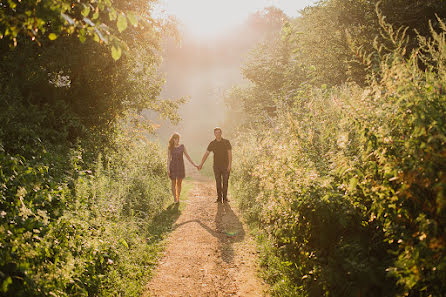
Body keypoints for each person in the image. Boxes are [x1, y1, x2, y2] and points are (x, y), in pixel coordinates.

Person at [198, 127, 232, 203]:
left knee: (225, 182)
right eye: (216, 133)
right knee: (218, 182)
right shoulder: (212, 143)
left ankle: (225, 198)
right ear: (214, 134)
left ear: (221, 133)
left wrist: (229, 165)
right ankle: (219, 198)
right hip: (216, 166)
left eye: (219, 132)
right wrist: (201, 164)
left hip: (225, 166)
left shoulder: (226, 142)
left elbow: (230, 154)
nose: (218, 134)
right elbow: (206, 154)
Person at [167, 133, 198, 203]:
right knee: (173, 183)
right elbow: (168, 159)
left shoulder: (182, 146)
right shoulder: (170, 147)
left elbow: (188, 156)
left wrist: (194, 164)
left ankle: (178, 197)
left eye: (178, 139)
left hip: (180, 167)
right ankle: (175, 198)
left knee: (179, 183)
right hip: (173, 167)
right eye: (175, 139)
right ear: (173, 139)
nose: (177, 140)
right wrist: (168, 168)